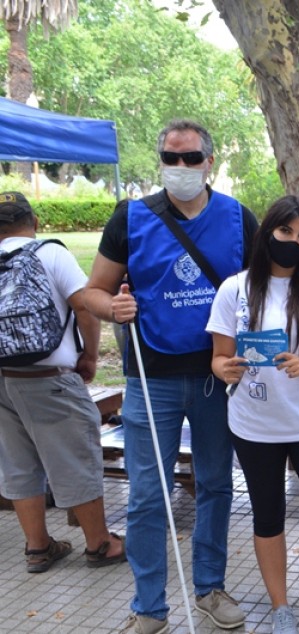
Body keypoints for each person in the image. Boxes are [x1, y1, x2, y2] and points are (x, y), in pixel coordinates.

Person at [85, 120, 258, 634]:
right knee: (145, 495)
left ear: (210, 161)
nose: (179, 167)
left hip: (214, 379)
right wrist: (113, 307)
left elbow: (259, 295)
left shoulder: (237, 219)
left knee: (216, 485)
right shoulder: (131, 217)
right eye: (170, 157)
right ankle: (149, 607)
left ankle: (209, 588)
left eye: (190, 157)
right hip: (150, 376)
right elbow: (93, 291)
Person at [207, 195, 299, 634]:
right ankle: (280, 606)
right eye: (285, 231)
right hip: (255, 425)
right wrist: (226, 368)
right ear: (267, 232)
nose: (293, 241)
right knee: (267, 517)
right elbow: (218, 358)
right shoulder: (236, 287)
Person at [0, 192, 126, 574]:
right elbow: (85, 305)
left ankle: (38, 548)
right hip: (48, 379)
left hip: (2, 381)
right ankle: (100, 544)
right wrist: (88, 355)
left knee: (18, 464)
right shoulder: (50, 253)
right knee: (75, 456)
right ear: (34, 221)